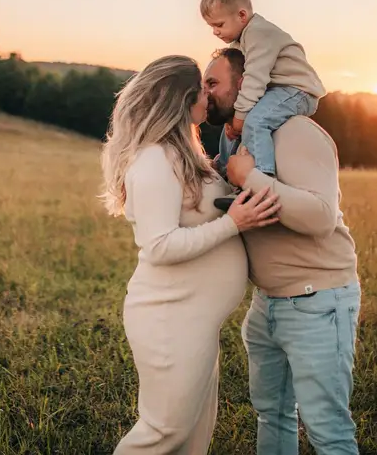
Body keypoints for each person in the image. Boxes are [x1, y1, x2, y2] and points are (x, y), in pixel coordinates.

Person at [99, 54, 282, 454]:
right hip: (169, 319)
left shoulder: (185, 154)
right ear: (183, 98)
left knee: (194, 437)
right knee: (164, 431)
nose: (207, 95)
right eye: (202, 87)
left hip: (195, 320)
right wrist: (233, 223)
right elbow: (160, 245)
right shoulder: (153, 160)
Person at [203, 47, 362, 455]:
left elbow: (321, 216)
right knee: (271, 414)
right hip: (267, 306)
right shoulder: (231, 137)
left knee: (328, 432)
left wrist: (251, 177)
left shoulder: (297, 132)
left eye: (213, 83)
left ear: (245, 84)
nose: (205, 93)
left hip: (317, 302)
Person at [200, 0, 326, 200]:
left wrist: (241, 116)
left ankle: (262, 181)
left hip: (297, 90)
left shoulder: (259, 33)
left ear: (241, 15)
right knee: (232, 125)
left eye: (219, 25)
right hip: (277, 89)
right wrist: (235, 119)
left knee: (256, 121)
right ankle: (225, 176)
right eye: (211, 27)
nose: (215, 32)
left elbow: (255, 79)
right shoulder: (240, 40)